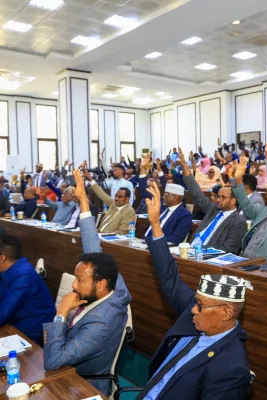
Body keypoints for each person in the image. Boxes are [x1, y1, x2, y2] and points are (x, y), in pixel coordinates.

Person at [136, 181, 252, 400]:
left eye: (200, 305)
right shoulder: (199, 317)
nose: (192, 310)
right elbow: (169, 277)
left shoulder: (232, 368)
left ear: (227, 312)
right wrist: (156, 225)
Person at [43, 169, 132, 397]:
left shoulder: (102, 322)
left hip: (80, 384)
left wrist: (61, 314)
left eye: (79, 280)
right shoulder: (114, 284)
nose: (74, 285)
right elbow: (93, 247)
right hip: (66, 362)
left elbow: (53, 361)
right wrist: (84, 201)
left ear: (100, 284)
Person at [180, 148, 247, 254]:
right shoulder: (214, 209)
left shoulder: (239, 222)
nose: (219, 200)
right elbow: (197, 194)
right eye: (218, 196)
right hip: (190, 250)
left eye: (223, 197)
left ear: (233, 200)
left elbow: (228, 250)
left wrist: (200, 250)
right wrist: (185, 167)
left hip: (206, 256)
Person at [0, 234, 55, 344]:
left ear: (1, 258)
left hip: (32, 332)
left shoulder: (23, 276)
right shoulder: (9, 268)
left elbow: (2, 315)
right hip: (13, 322)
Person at [83, 168, 136, 235]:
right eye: (116, 196)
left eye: (120, 197)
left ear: (127, 199)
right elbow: (102, 195)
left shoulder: (129, 211)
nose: (116, 198)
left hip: (108, 238)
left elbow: (122, 232)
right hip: (98, 233)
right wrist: (90, 179)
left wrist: (104, 235)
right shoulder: (114, 203)